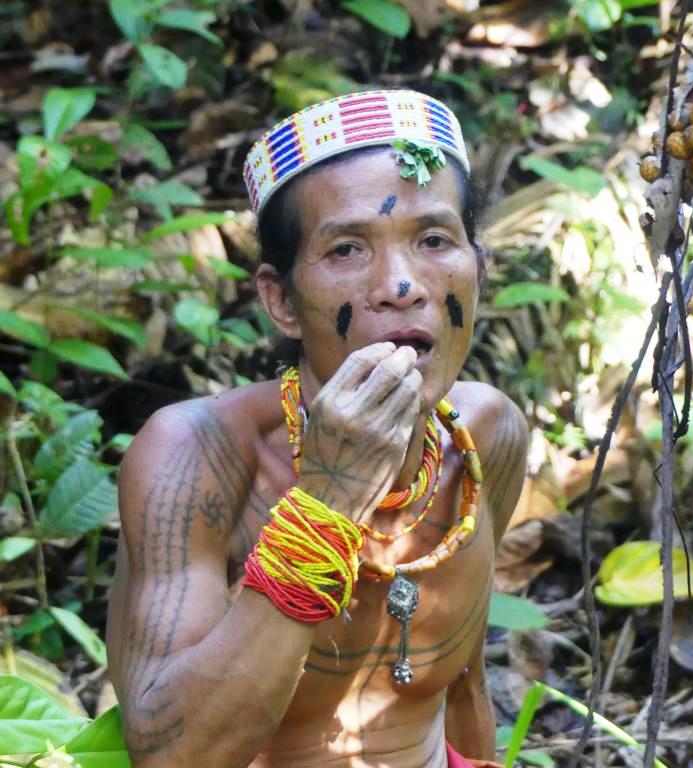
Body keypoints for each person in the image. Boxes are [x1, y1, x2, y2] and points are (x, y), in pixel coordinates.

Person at [106, 89, 529, 768]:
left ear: (478, 265)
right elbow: (173, 755)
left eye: (434, 241)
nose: (401, 285)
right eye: (346, 251)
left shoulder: (489, 437)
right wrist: (328, 500)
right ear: (280, 300)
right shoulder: (199, 457)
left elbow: (462, 682)